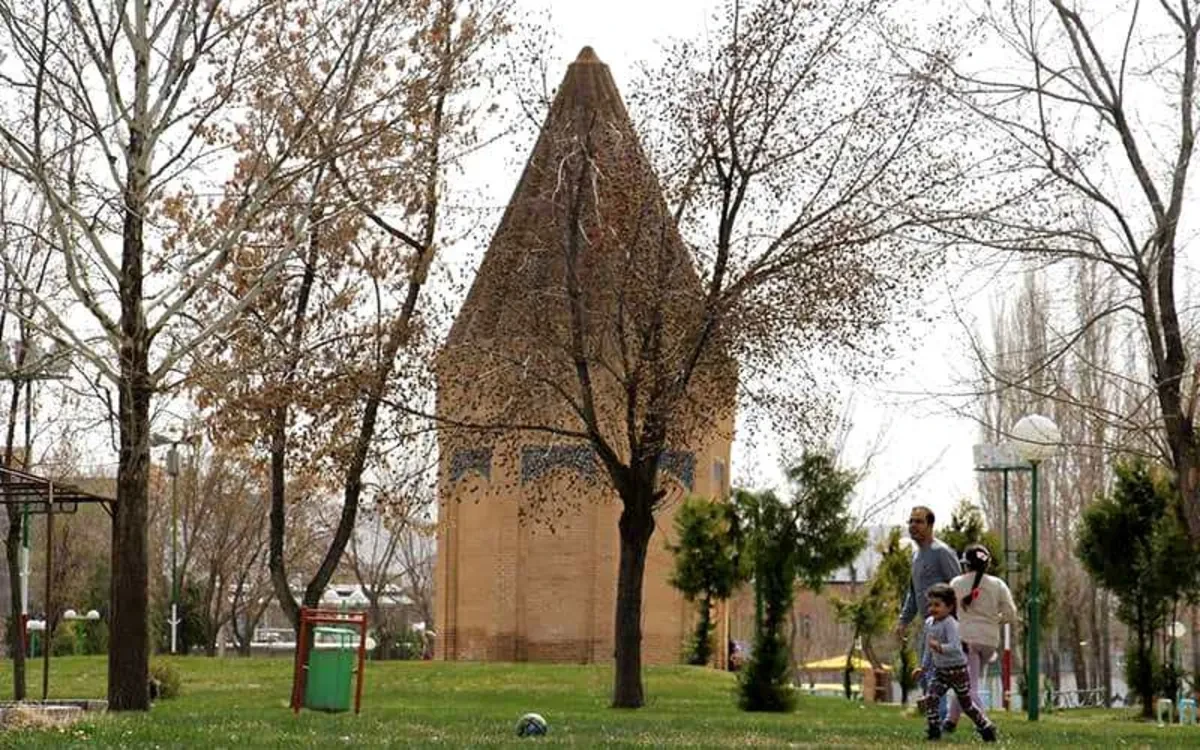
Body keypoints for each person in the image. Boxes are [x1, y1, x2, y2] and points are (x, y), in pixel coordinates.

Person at [944, 543, 1017, 733]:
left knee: (969, 687)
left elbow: (947, 612)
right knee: (966, 681)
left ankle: (985, 724)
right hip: (990, 641)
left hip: (966, 641)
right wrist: (994, 621)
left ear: (966, 564)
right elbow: (1011, 613)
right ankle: (950, 721)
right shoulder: (998, 584)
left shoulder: (956, 583)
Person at [895, 506, 961, 708]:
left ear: (930, 525)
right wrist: (903, 620)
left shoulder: (941, 552)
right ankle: (936, 719)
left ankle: (941, 721)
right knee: (927, 675)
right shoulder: (916, 556)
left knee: (938, 676)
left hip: (946, 626)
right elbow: (913, 593)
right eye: (911, 521)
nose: (913, 526)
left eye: (919, 521)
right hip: (928, 625)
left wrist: (955, 623)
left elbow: (957, 586)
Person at [914, 583, 998, 742]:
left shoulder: (950, 624)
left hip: (958, 671)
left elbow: (955, 647)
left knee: (966, 705)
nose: (932, 608)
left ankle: (986, 727)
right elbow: (928, 648)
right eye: (930, 605)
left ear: (950, 606)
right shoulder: (929, 623)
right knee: (931, 698)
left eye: (937, 605)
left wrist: (940, 647)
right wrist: (923, 668)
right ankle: (933, 731)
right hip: (940, 671)